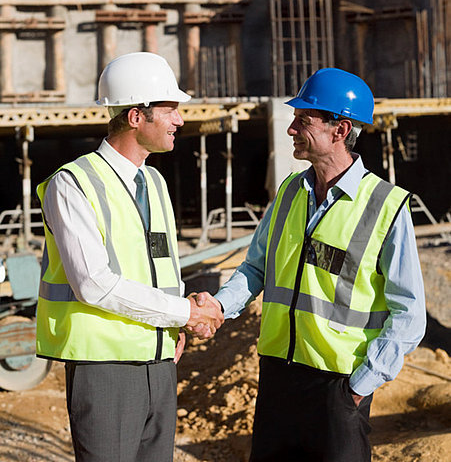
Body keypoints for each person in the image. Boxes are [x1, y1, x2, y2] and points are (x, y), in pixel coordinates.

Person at [194, 68, 426, 461]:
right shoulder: (289, 191)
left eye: (304, 120)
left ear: (340, 129)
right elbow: (256, 268)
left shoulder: (386, 205)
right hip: (277, 378)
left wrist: (360, 386)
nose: (291, 130)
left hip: (338, 388)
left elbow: (410, 314)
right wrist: (219, 306)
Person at [36, 51, 223, 462]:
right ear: (136, 117)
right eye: (170, 109)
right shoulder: (72, 184)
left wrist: (176, 323)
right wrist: (183, 314)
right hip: (104, 366)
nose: (179, 120)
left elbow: (161, 267)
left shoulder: (154, 181)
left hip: (158, 358)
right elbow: (93, 284)